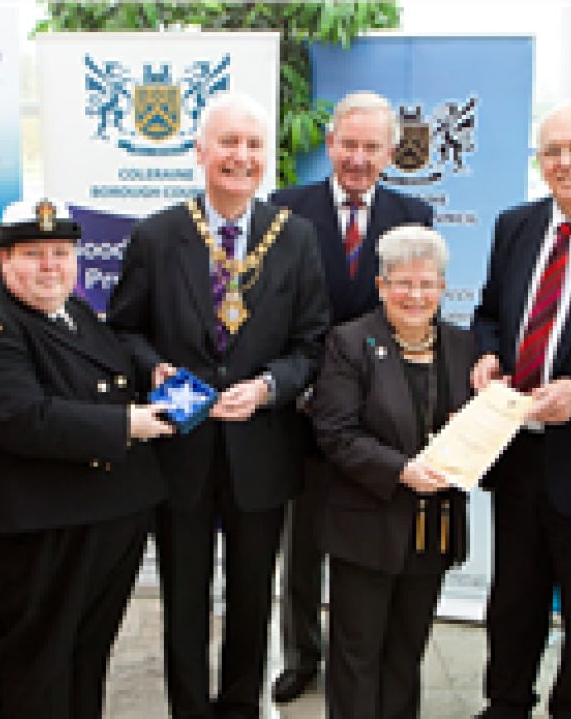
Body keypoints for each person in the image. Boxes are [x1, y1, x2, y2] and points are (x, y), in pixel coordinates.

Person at [108, 93, 329, 718]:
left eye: (254, 145)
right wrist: (153, 368)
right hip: (180, 448)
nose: (241, 156)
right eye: (228, 143)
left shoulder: (295, 238)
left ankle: (239, 707)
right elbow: (123, 331)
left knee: (254, 595)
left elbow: (311, 344)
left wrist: (267, 387)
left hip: (261, 449)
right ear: (200, 152)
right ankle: (189, 709)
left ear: (268, 160)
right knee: (184, 596)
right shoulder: (157, 234)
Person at [0, 199, 172, 719]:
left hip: (108, 512)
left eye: (61, 252)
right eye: (34, 254)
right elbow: (26, 418)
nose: (50, 265)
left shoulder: (74, 312)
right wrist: (125, 424)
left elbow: (101, 378)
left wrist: (151, 380)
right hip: (43, 528)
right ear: (5, 263)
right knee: (39, 666)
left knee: (86, 657)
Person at [270, 91, 433, 704]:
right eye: (348, 145)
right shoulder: (288, 208)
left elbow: (413, 308)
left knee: (367, 543)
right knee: (305, 539)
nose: (358, 158)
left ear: (391, 152)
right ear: (330, 145)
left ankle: (363, 656)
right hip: (306, 409)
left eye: (371, 147)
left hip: (382, 415)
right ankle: (301, 654)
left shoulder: (413, 212)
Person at [472, 102, 571, 719]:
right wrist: (488, 356)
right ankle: (505, 705)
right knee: (514, 600)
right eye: (551, 151)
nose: (565, 163)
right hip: (517, 447)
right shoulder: (516, 225)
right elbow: (490, 314)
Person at [313, 224, 474, 719]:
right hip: (366, 528)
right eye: (403, 283)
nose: (415, 294)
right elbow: (336, 433)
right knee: (356, 657)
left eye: (427, 284)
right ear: (382, 286)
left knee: (407, 654)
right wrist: (402, 470)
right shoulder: (348, 342)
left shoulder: (463, 347)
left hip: (433, 530)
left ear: (443, 289)